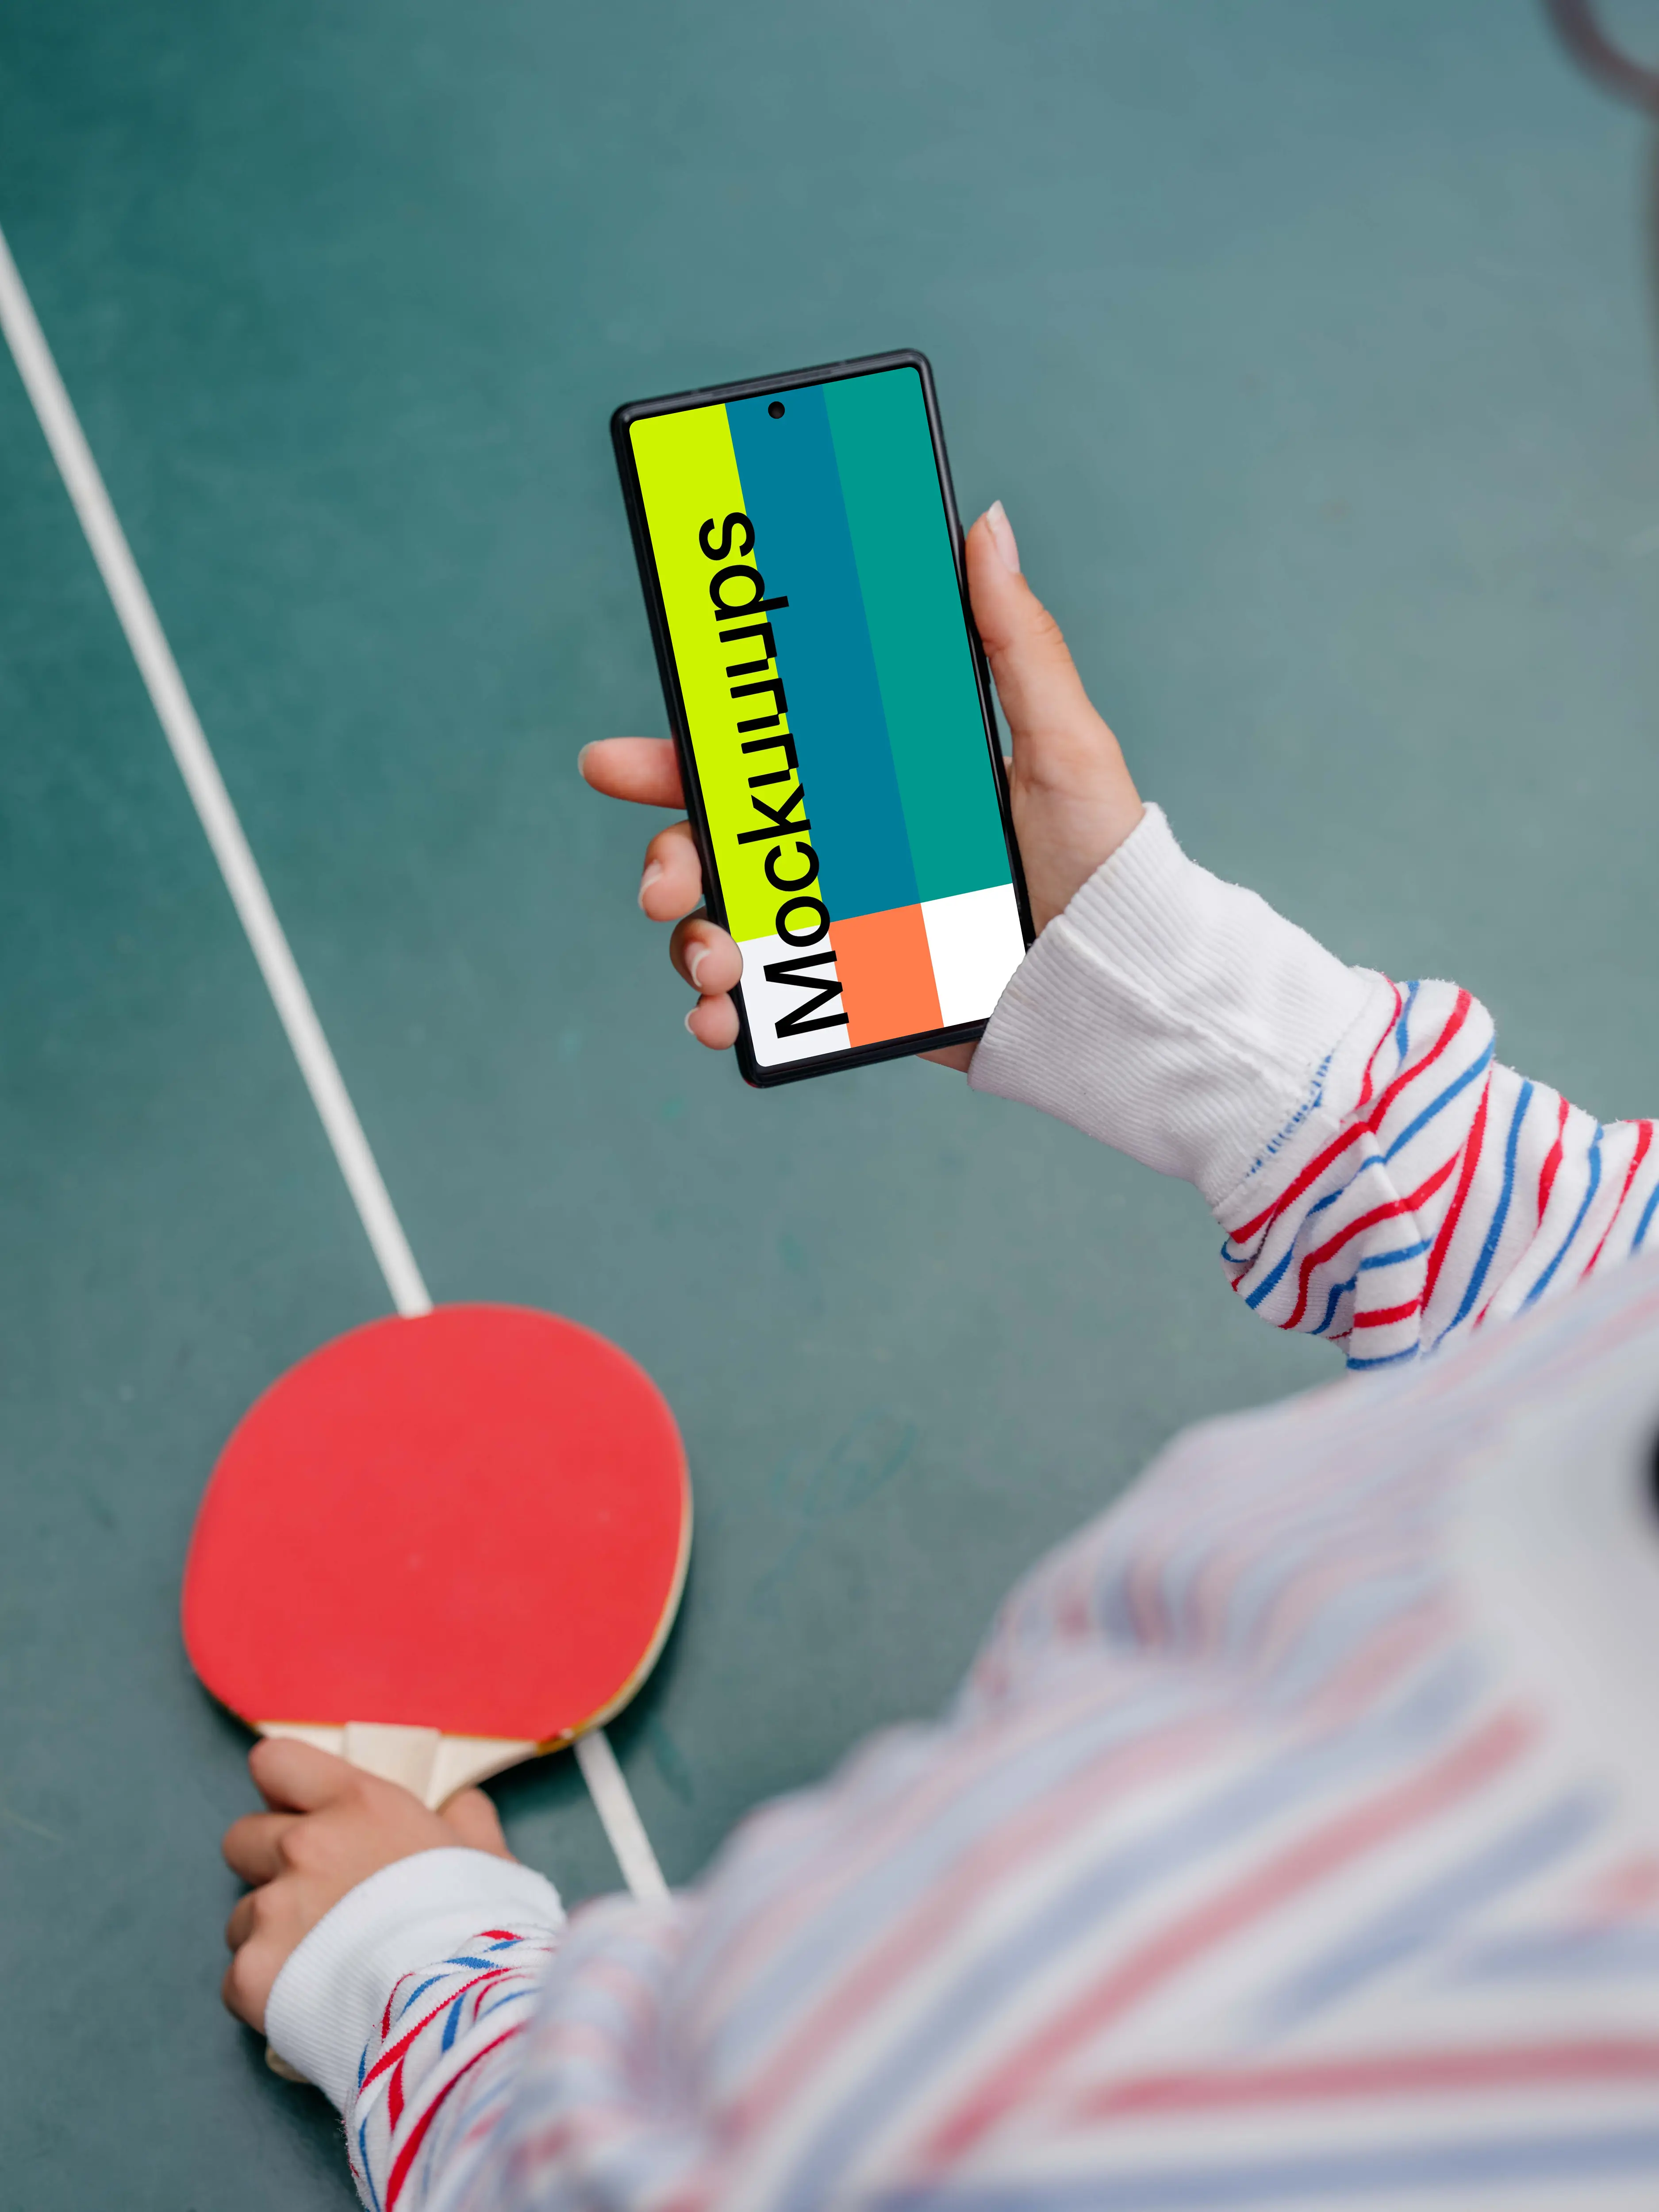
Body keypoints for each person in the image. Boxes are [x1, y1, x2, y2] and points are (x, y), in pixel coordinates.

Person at [220, 501, 1659, 2209]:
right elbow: (1599, 1284)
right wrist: (1138, 981)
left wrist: (406, 1976)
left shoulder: (1245, 1939)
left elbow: (659, 2179)